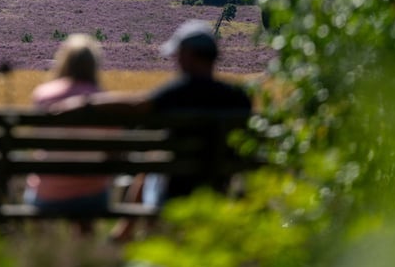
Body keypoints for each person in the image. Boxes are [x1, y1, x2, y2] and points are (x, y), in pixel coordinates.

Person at [54, 19, 252, 237]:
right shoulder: (239, 98)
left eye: (178, 55)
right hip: (219, 188)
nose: (176, 61)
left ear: (189, 55)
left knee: (150, 165)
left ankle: (127, 232)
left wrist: (86, 103)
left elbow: (138, 105)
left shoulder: (176, 93)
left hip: (174, 192)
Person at [24, 34, 112, 226]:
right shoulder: (105, 101)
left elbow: (38, 141)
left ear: (63, 62)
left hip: (48, 194)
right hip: (93, 197)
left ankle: (41, 243)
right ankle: (86, 242)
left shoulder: (43, 96)